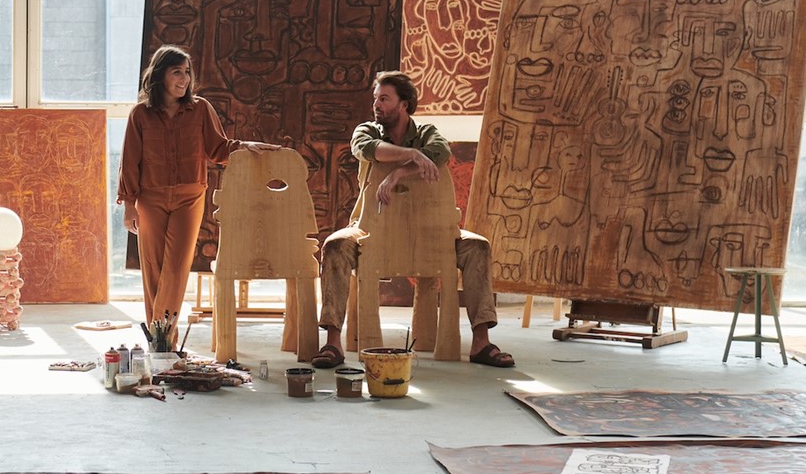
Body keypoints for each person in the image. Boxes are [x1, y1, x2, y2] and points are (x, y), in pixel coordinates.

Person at [312, 71, 514, 369]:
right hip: (370, 230)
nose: (376, 105)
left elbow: (439, 152)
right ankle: (332, 343)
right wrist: (412, 155)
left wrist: (400, 172)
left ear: (404, 104)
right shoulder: (367, 130)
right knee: (334, 246)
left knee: (478, 247)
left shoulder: (427, 133)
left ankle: (481, 343)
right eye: (376, 99)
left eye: (384, 99)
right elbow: (366, 149)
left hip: (430, 233)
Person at [118, 45, 281, 327]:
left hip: (189, 198)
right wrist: (129, 205)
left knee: (176, 267)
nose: (184, 79)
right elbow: (130, 161)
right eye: (177, 72)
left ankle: (160, 335)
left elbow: (218, 148)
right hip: (150, 198)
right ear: (160, 74)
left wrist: (244, 146)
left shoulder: (201, 108)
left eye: (187, 72)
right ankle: (161, 340)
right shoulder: (140, 114)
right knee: (153, 269)